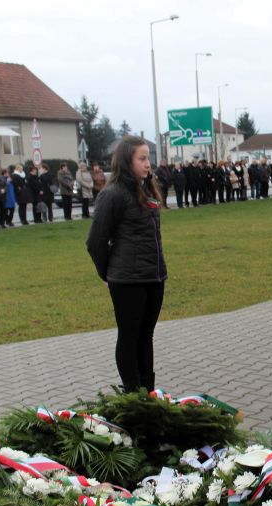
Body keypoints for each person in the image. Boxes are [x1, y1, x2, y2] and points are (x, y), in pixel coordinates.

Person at [86, 135, 168, 393]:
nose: (147, 164)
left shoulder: (147, 190)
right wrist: (107, 274)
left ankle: (147, 391)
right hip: (128, 281)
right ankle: (132, 393)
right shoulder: (112, 194)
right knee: (129, 337)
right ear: (126, 161)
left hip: (154, 277)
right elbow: (95, 241)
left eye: (148, 158)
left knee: (146, 336)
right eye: (141, 159)